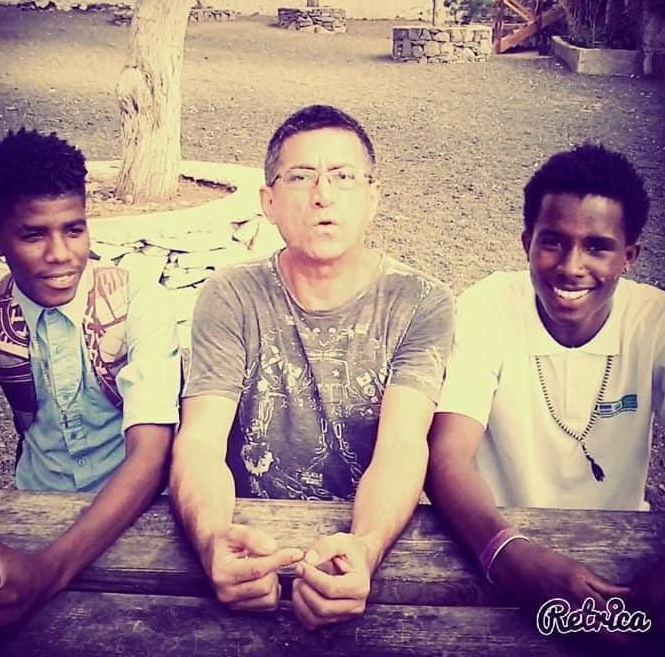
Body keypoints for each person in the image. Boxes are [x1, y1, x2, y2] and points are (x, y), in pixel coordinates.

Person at [170, 104, 454, 630]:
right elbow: (200, 439)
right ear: (269, 202)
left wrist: (365, 547)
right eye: (301, 177)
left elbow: (403, 444)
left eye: (343, 176)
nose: (323, 195)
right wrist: (212, 539)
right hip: (251, 541)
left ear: (373, 197)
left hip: (360, 545)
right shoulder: (230, 295)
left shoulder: (419, 301)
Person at [426, 144, 665, 638]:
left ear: (629, 256)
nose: (571, 266)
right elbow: (445, 456)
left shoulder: (659, 322)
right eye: (553, 241)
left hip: (619, 553)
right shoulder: (487, 308)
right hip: (491, 540)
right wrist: (509, 556)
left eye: (598, 247)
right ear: (527, 242)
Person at [0, 128, 181, 637]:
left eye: (74, 229)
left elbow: (151, 453)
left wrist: (48, 572)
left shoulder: (136, 300)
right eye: (34, 234)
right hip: (35, 509)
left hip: (140, 514)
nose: (60, 254)